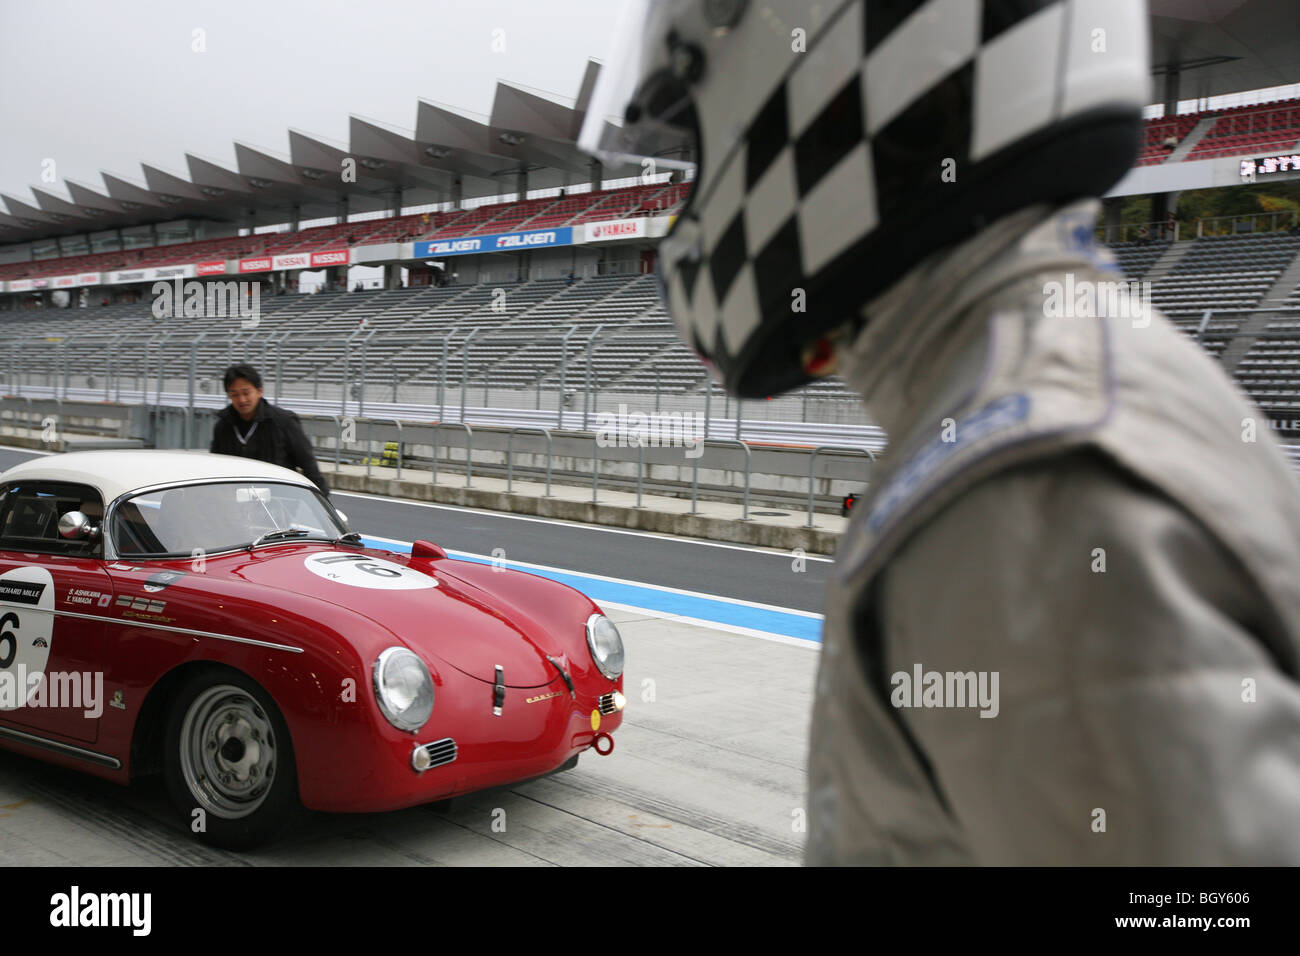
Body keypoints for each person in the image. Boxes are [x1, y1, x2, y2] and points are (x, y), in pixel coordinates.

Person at [578, 0, 1300, 864]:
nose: (690, 207)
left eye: (698, 154)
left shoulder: (1023, 493)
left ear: (846, 97)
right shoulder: (1064, 386)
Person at [211, 364, 329, 496]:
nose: (241, 399)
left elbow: (308, 464)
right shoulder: (223, 426)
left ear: (259, 391)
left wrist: (324, 505)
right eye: (234, 394)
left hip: (279, 503)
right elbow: (216, 467)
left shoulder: (283, 421)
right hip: (236, 503)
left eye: (246, 392)